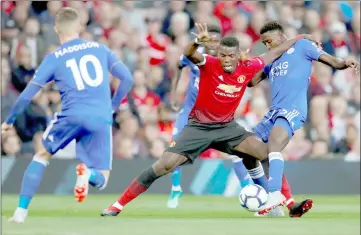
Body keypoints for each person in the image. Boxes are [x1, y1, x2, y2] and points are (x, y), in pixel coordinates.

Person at [100, 23, 320, 216]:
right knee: (163, 165)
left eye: (230, 56)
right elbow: (189, 54)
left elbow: (278, 50)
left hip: (226, 128)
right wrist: (196, 42)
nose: (225, 60)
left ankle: (285, 202)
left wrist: (301, 37)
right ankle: (118, 205)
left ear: (238, 55)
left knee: (265, 152)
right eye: (222, 55)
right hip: (198, 127)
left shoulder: (249, 66)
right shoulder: (209, 63)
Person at [2, 7, 134, 224]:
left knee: (41, 156)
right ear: (79, 26)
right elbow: (127, 78)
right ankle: (87, 174)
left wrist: (9, 121)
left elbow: (27, 95)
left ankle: (20, 213)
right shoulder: (100, 49)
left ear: (56, 29)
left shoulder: (54, 58)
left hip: (71, 115)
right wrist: (112, 106)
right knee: (102, 180)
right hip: (100, 117)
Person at [247, 21, 359, 217]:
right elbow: (251, 82)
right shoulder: (272, 59)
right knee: (251, 149)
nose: (267, 46)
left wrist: (345, 63)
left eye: (268, 41)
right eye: (264, 43)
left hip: (293, 109)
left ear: (281, 37)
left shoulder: (303, 46)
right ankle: (286, 203)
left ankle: (273, 195)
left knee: (274, 143)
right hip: (273, 112)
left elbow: (332, 61)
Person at [167, 24, 251, 209]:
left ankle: (247, 188)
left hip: (215, 114)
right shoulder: (198, 56)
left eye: (215, 40)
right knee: (174, 146)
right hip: (190, 111)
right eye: (209, 40)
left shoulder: (227, 61)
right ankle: (175, 188)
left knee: (237, 149)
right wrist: (174, 94)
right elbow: (179, 65)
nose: (212, 43)